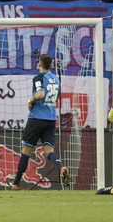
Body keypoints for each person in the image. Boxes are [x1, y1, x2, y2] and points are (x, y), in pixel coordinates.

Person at [7, 54, 70, 190]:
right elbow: (57, 97)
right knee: (49, 151)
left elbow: (40, 94)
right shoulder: (56, 78)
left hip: (37, 118)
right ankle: (61, 167)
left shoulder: (39, 77)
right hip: (51, 119)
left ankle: (16, 184)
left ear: (39, 64)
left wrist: (31, 100)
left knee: (26, 150)